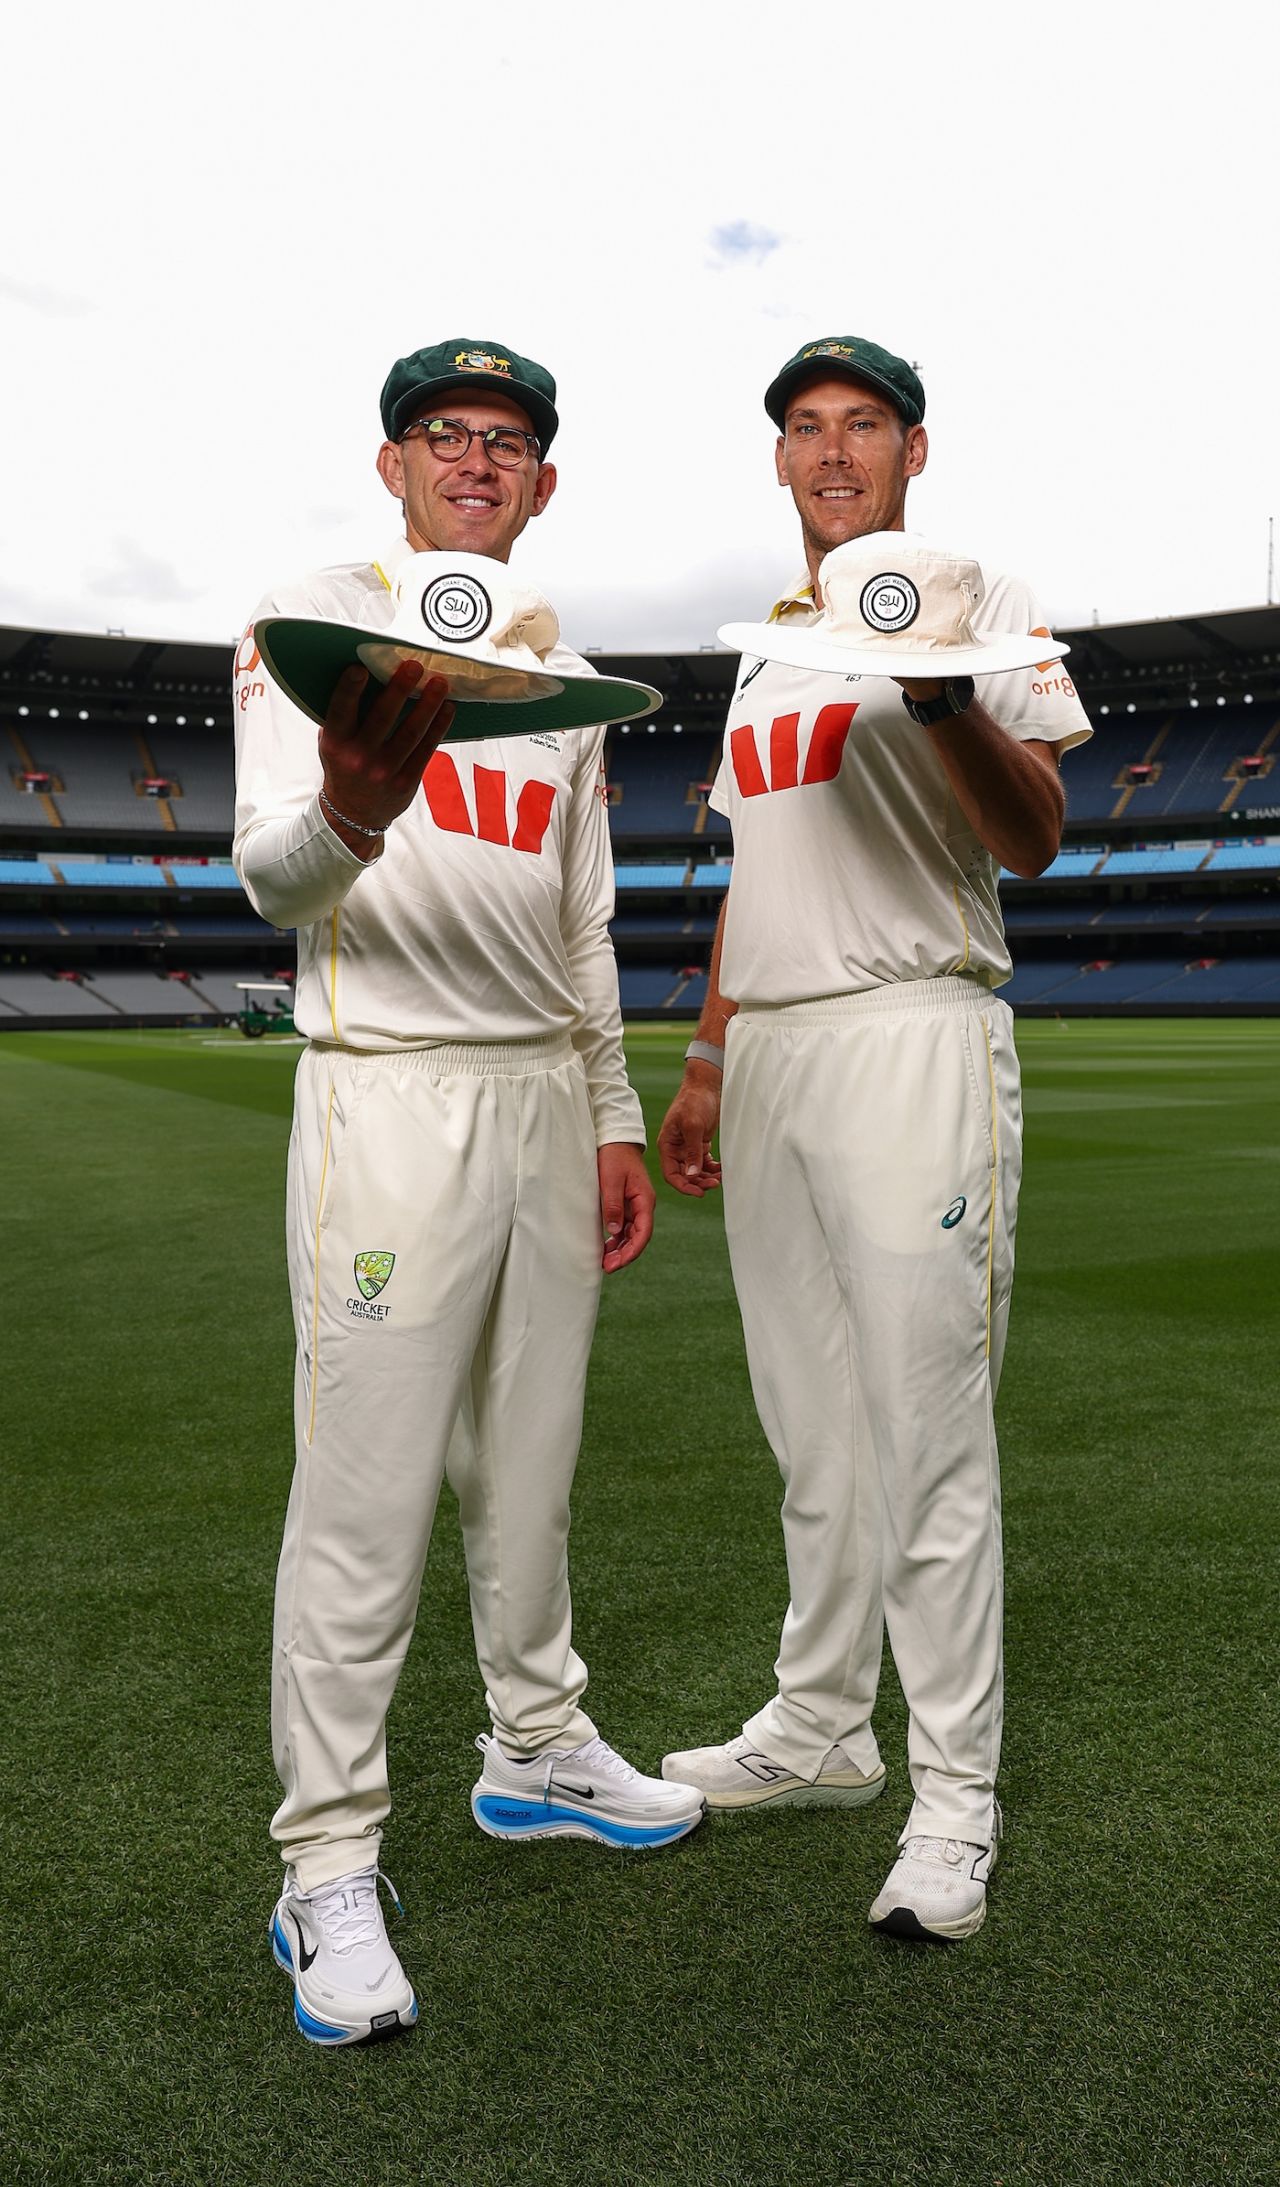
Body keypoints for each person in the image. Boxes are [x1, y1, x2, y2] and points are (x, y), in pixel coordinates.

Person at [234, 338, 703, 2048]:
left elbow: (579, 923)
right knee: (361, 1506)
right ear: (397, 466)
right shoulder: (307, 632)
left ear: (543, 481)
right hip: (390, 1100)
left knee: (530, 1465)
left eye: (509, 442)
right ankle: (326, 1866)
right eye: (449, 435)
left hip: (536, 1105)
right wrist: (353, 811)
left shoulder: (555, 675)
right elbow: (271, 879)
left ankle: (535, 1750)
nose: (479, 461)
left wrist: (612, 1112)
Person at [657, 335, 1091, 1942]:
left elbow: (1036, 833)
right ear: (780, 462)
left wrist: (942, 700)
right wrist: (706, 1062)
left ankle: (955, 1803)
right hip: (770, 1056)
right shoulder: (765, 644)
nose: (833, 451)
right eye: (806, 429)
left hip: (915, 1034)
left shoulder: (977, 598)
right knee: (815, 1438)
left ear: (915, 454)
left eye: (864, 426)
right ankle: (823, 1726)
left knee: (926, 1437)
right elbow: (756, 869)